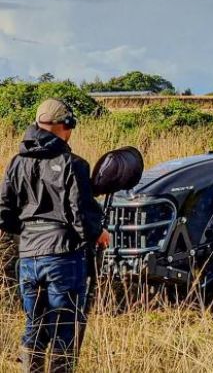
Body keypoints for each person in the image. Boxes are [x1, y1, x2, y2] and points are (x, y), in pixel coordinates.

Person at [0, 98, 109, 373]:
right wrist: (97, 234)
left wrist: (27, 234)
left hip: (28, 257)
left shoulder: (16, 163)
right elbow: (81, 214)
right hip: (63, 257)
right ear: (64, 126)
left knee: (34, 326)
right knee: (64, 329)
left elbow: (3, 212)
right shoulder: (73, 164)